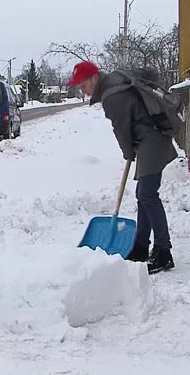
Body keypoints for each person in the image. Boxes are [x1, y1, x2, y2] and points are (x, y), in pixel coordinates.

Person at [68, 61, 176, 273]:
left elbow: (122, 130)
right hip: (149, 138)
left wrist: (128, 152)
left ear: (94, 78)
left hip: (151, 140)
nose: (83, 91)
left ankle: (164, 251)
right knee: (143, 193)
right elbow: (150, 72)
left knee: (148, 194)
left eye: (83, 86)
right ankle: (141, 246)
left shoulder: (111, 96)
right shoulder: (116, 77)